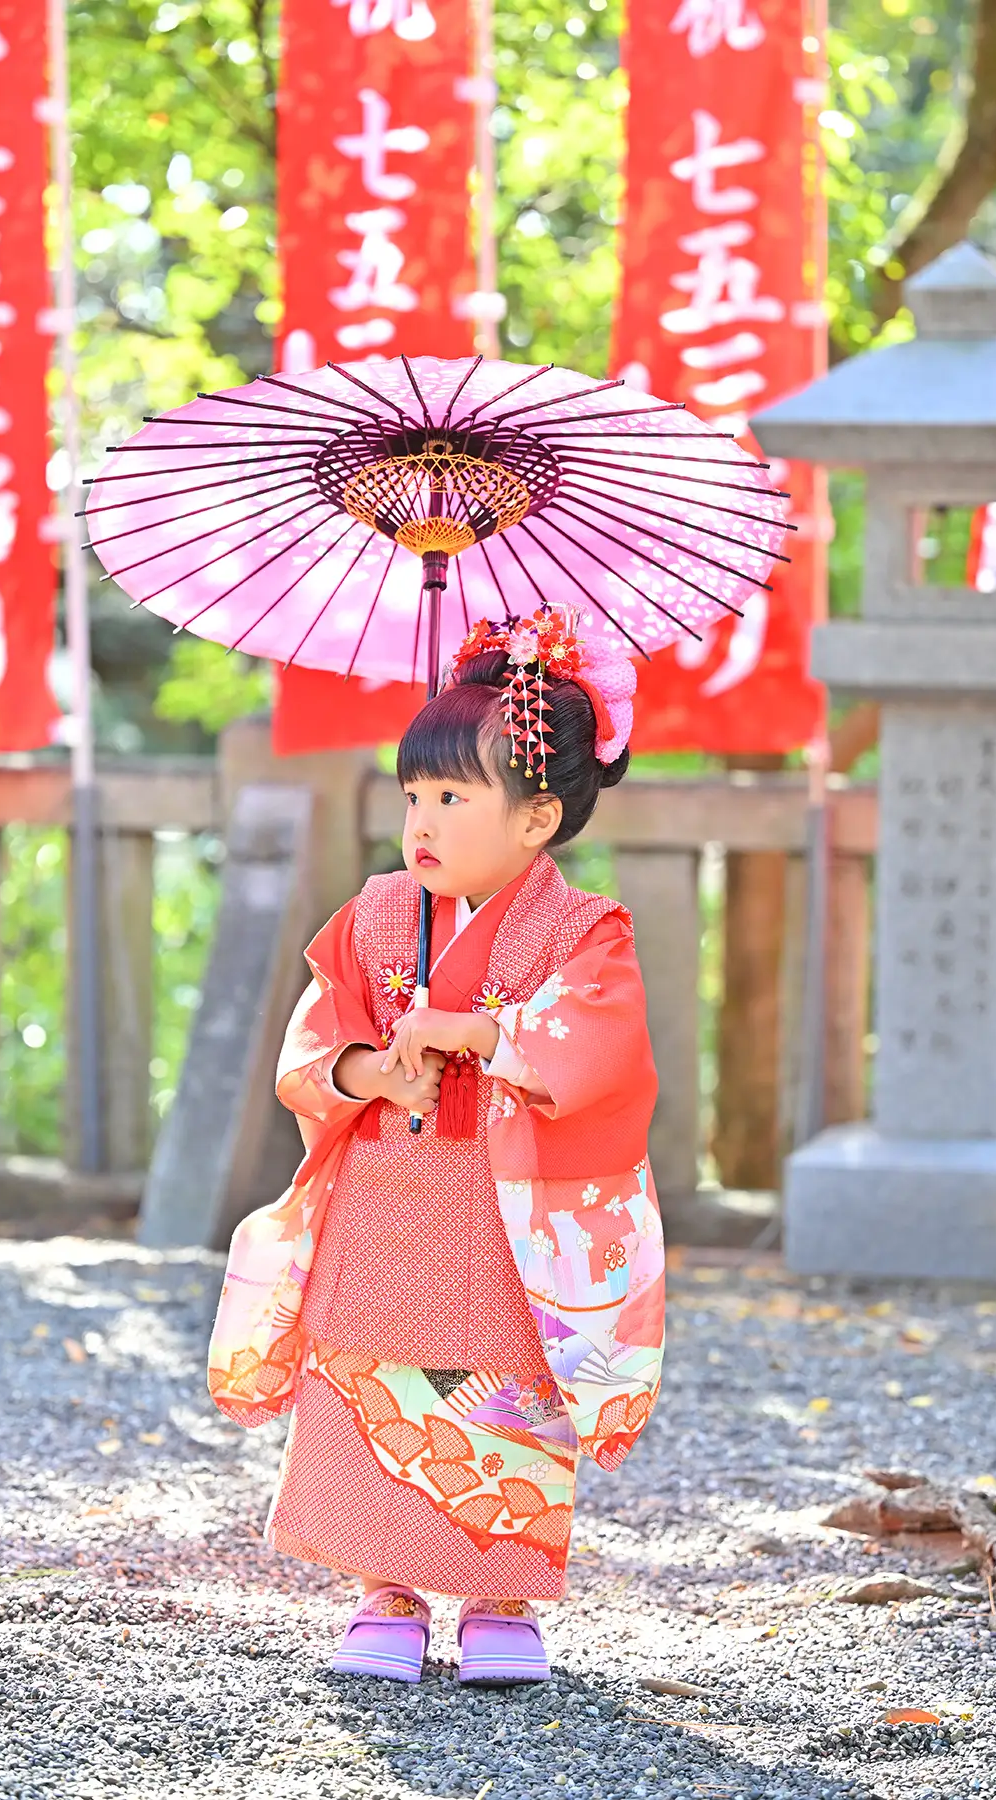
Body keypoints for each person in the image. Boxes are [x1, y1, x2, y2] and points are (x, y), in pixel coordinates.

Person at [207, 606, 665, 1685]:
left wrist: (484, 1031)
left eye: (454, 796)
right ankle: (387, 1591)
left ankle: (501, 1597)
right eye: (415, 794)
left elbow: (598, 1042)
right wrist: (368, 1070)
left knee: (504, 1381)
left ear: (539, 817)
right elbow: (318, 1031)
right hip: (388, 1194)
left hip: (507, 1213)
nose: (423, 818)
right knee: (371, 1374)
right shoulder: (375, 916)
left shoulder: (580, 931)